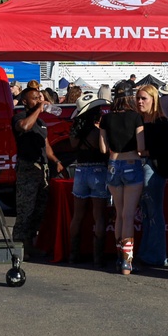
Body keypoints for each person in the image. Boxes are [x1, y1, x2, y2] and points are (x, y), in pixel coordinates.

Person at [12, 88, 65, 258]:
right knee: (25, 210)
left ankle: (31, 243)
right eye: (34, 99)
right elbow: (25, 127)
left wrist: (56, 161)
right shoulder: (20, 118)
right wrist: (38, 108)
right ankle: (19, 247)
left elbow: (46, 145)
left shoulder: (41, 122)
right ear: (25, 102)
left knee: (39, 209)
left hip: (41, 169)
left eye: (39, 98)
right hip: (27, 168)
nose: (38, 100)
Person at [100, 88, 145, 274]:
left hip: (113, 164)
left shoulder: (106, 118)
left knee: (119, 213)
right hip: (132, 162)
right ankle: (128, 263)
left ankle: (120, 258)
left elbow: (103, 149)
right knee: (128, 215)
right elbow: (141, 147)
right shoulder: (135, 117)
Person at [136, 84, 168, 268]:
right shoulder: (140, 120)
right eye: (138, 98)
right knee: (147, 214)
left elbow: (166, 149)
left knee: (153, 214)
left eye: (143, 98)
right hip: (146, 168)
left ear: (153, 100)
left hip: (153, 169)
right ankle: (148, 252)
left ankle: (156, 255)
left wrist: (144, 152)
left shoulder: (159, 122)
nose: (139, 101)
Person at [66, 92, 109, 266]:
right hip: (98, 170)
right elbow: (104, 149)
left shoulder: (75, 132)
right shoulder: (97, 131)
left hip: (80, 171)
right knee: (99, 216)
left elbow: (73, 146)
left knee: (77, 216)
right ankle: (98, 258)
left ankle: (73, 255)